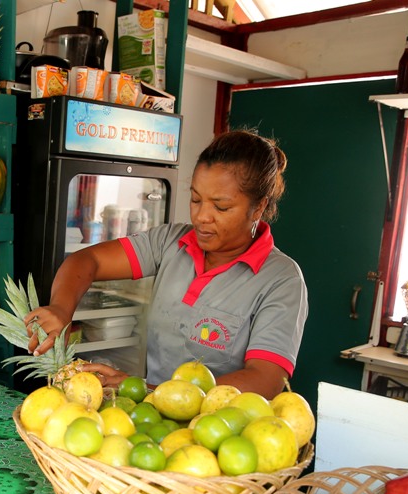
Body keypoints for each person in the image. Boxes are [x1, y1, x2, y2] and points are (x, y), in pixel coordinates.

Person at [27, 129, 307, 399]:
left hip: (223, 433)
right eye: (196, 199)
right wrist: (61, 309)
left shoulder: (281, 279)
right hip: (153, 419)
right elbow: (87, 260)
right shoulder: (171, 242)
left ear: (258, 207)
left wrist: (150, 391)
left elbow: (265, 379)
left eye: (220, 207)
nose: (201, 217)